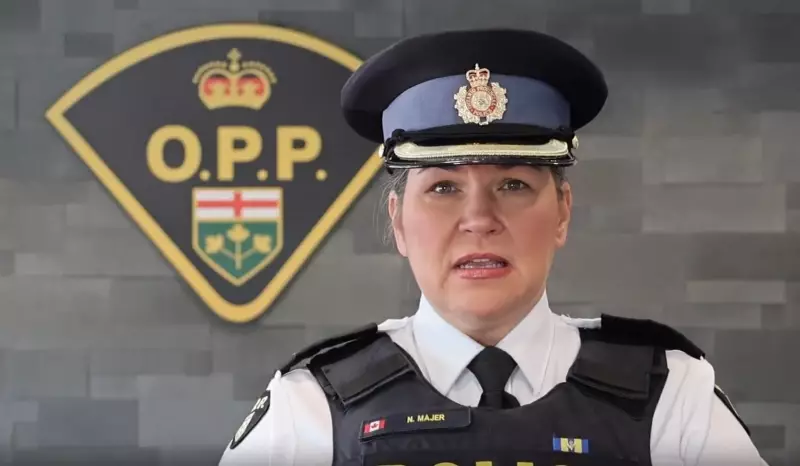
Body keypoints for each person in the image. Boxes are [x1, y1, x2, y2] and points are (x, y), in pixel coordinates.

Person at [218, 29, 767, 466]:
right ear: (399, 222)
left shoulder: (672, 398)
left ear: (562, 212)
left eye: (513, 184)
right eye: (443, 188)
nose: (479, 220)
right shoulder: (309, 411)